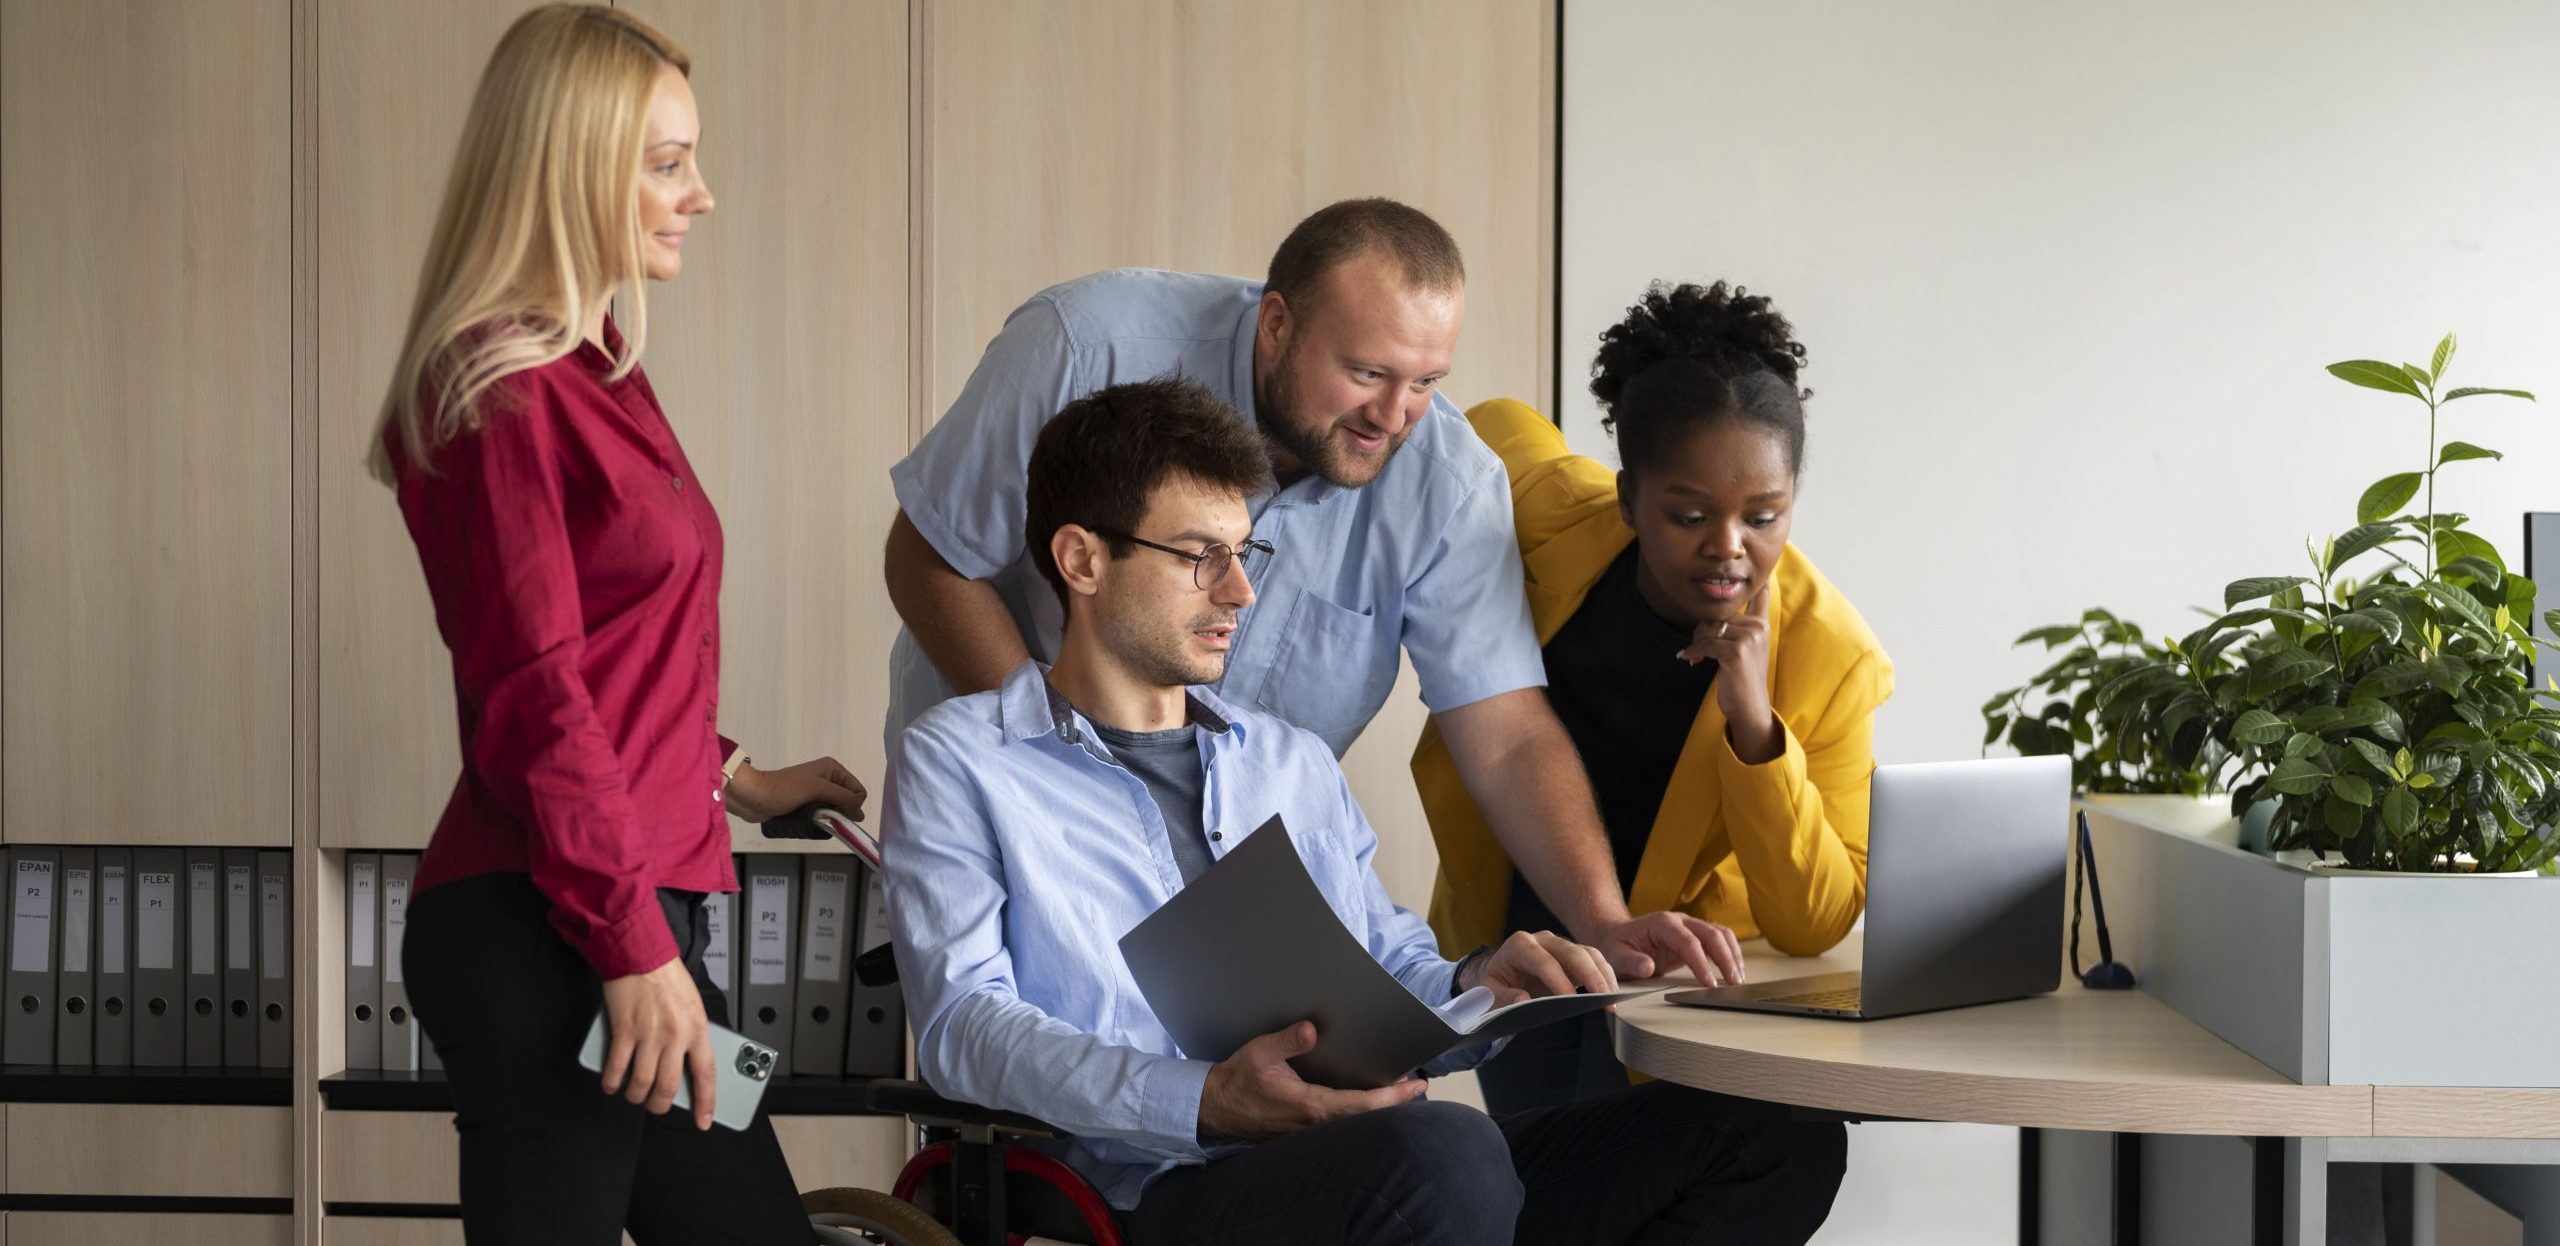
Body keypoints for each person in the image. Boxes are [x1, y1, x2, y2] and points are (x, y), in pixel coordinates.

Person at [883, 377, 1847, 1246]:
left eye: (1244, 550)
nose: (1241, 591)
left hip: (1374, 1165)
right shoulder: (963, 763)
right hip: (1155, 1187)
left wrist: (1482, 981)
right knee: (1447, 1157)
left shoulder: (1287, 762)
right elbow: (966, 1025)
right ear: (1081, 560)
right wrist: (1206, 1101)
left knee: (1771, 1131)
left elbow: (1390, 966)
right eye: (1200, 558)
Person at [883, 198, 1735, 986]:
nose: (1395, 416)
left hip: (1225, 874)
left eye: (1427, 381)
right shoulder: (1085, 345)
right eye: (1367, 372)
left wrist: (1603, 920)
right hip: (1010, 802)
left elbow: (1506, 733)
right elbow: (930, 556)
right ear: (1278, 324)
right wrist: (1061, 786)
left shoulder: (1449, 482)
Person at [370, 7, 861, 1240]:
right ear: (568, 166)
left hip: (625, 919)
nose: (701, 194)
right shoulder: (504, 389)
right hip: (559, 930)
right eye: (665, 162)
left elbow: (619, 657)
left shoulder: (597, 371)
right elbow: (533, 692)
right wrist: (633, 951)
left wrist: (736, 775)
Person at [1417, 281, 1894, 1115]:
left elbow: (1815, 920)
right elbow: (1486, 425)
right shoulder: (1555, 519)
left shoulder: (1832, 655)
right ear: (1629, 498)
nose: (1728, 548)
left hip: (1673, 976)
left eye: (1765, 516)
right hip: (1520, 935)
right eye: (1688, 515)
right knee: (1538, 1188)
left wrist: (1754, 728)